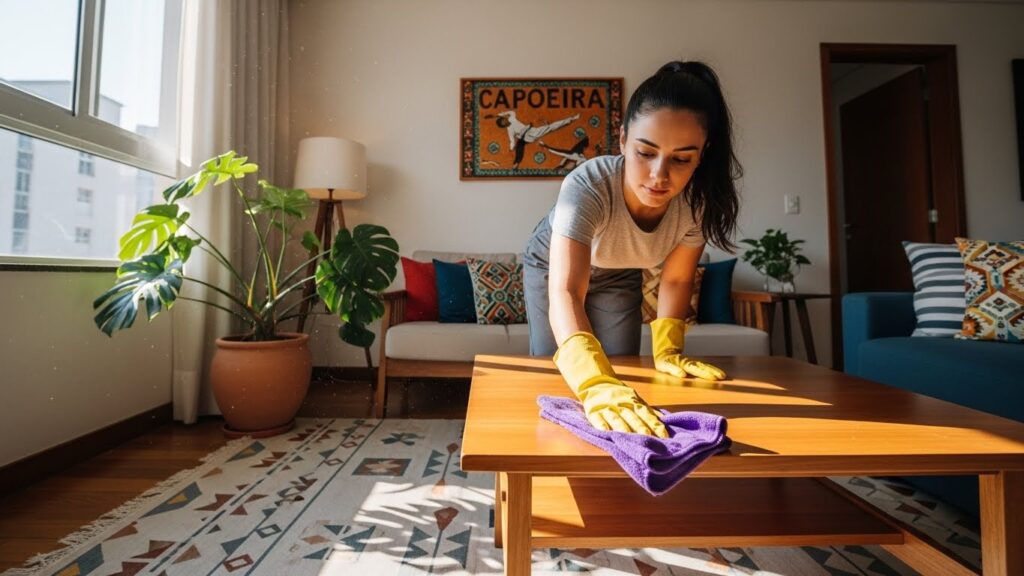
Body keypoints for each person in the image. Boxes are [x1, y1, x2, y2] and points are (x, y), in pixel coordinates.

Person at [522, 61, 741, 438]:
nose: (659, 175)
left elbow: (675, 278)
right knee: (562, 373)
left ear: (701, 155)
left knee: (623, 368)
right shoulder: (587, 185)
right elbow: (567, 291)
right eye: (645, 152)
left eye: (681, 158)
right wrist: (593, 383)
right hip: (552, 268)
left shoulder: (697, 203)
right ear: (623, 139)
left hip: (622, 268)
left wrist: (669, 350)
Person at [489, 110, 580, 169]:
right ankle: (516, 163)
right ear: (503, 126)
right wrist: (511, 148)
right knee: (520, 144)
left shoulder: (512, 119)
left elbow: (512, 112)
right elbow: (512, 141)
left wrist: (498, 114)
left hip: (532, 131)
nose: (505, 121)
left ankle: (571, 119)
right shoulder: (509, 130)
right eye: (503, 123)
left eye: (504, 120)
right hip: (526, 137)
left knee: (551, 127)